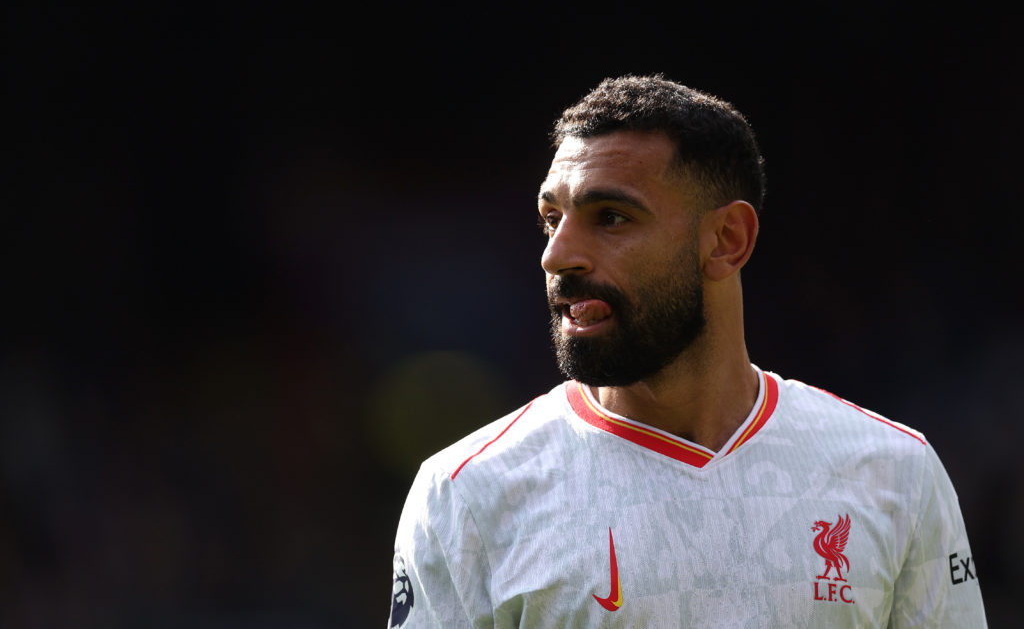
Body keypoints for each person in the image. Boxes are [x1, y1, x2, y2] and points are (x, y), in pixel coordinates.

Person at [387, 75, 987, 627]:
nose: (556, 255)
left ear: (727, 241)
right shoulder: (466, 494)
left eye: (611, 217)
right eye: (552, 218)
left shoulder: (894, 472)